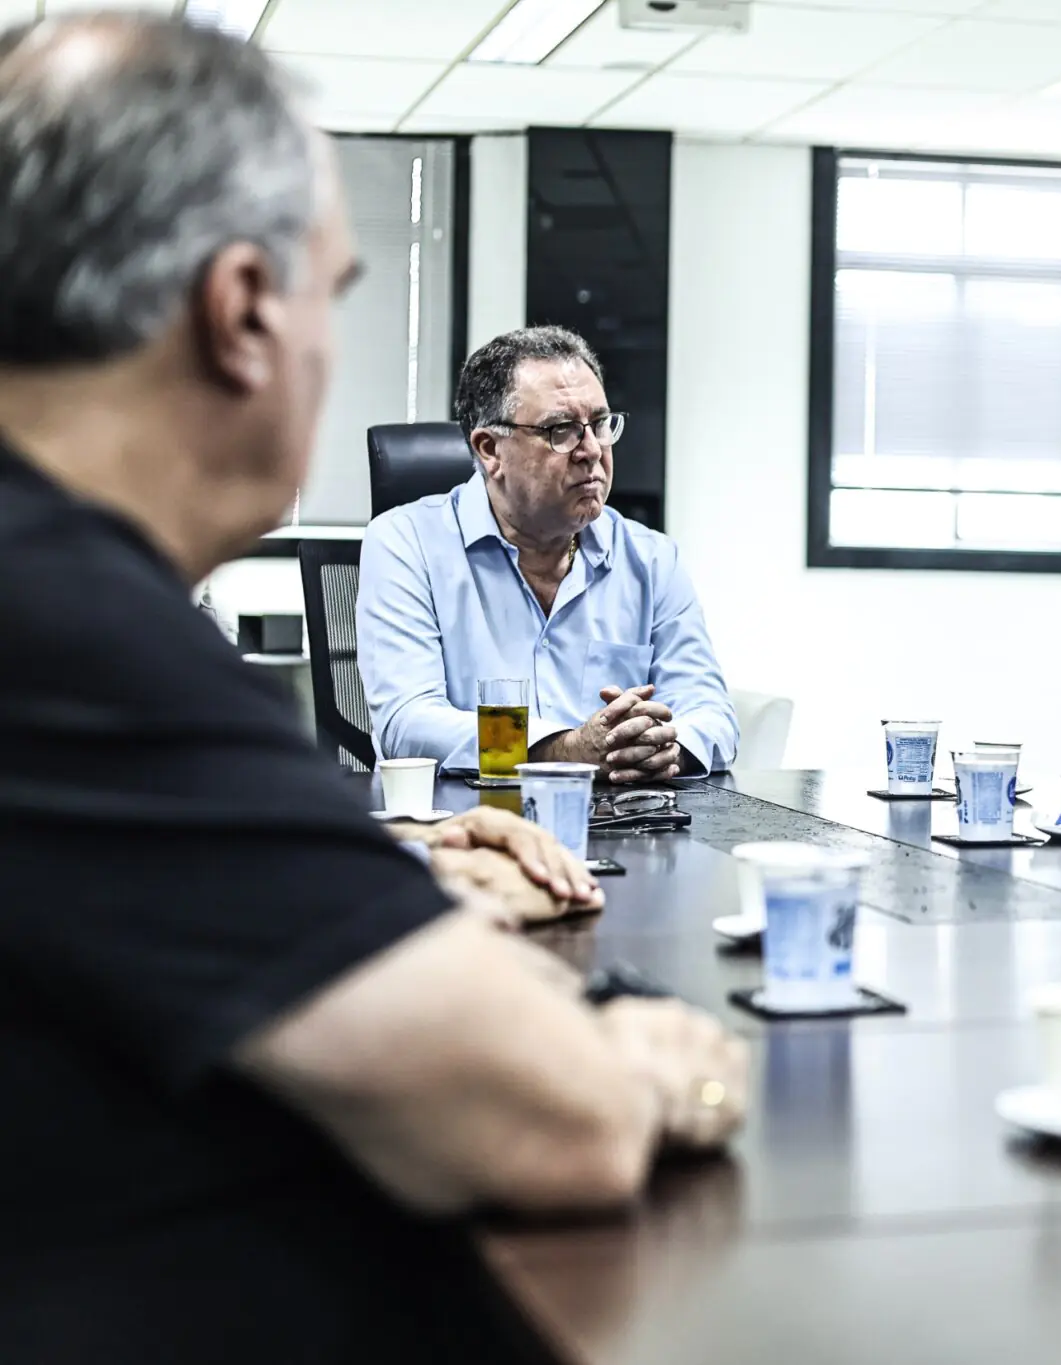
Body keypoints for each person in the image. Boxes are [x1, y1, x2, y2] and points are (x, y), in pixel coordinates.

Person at [0, 16, 750, 1362]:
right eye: (332, 295)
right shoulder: (73, 626)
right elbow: (556, 1122)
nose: (590, 449)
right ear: (243, 312)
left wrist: (387, 870)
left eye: (600, 425)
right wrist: (643, 1051)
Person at [358, 325, 739, 783]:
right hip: (471, 816)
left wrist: (666, 747)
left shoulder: (652, 559)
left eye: (600, 424)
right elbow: (409, 724)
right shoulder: (406, 543)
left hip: (622, 811)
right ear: (490, 450)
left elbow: (711, 713)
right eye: (562, 430)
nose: (592, 450)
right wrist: (564, 750)